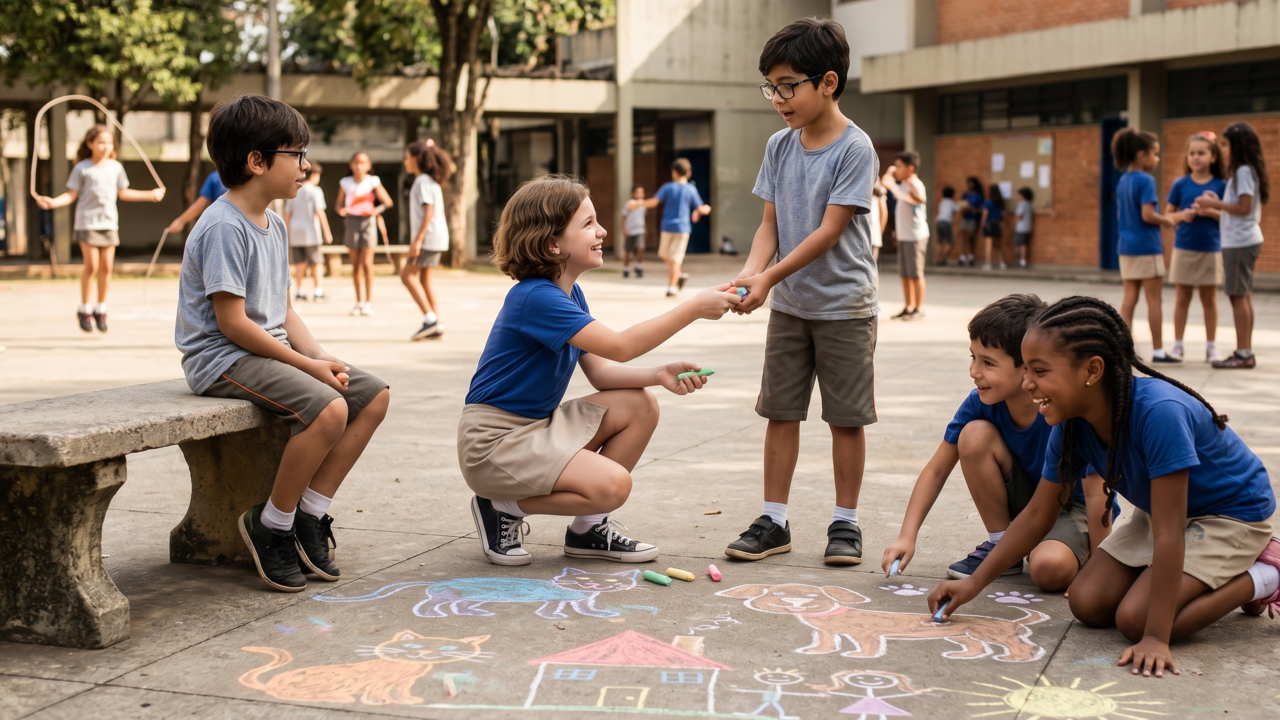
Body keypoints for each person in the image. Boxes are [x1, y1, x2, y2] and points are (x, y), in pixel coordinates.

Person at [928, 296, 1279, 679]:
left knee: (1136, 620)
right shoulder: (1070, 420)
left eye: (1040, 371)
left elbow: (1168, 534)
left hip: (1230, 516)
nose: (1028, 384)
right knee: (1087, 603)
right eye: (1026, 369)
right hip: (1165, 515)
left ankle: (1264, 577)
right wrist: (975, 585)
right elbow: (1037, 514)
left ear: (1092, 370)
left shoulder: (1160, 413)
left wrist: (1156, 638)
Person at [459, 175, 739, 565]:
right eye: (588, 223)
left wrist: (658, 373)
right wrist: (692, 308)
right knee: (613, 485)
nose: (603, 230)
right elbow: (621, 346)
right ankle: (501, 506)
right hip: (494, 445)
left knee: (640, 403)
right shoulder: (535, 297)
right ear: (553, 243)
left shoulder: (568, 292)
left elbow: (603, 373)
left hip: (535, 430)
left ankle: (588, 531)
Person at [175, 94, 390, 592]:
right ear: (257, 161)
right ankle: (271, 525)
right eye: (297, 154)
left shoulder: (272, 222)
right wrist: (305, 368)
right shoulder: (225, 226)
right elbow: (232, 324)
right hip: (221, 358)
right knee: (329, 409)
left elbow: (283, 309)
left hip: (262, 351)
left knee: (372, 394)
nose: (306, 166)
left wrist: (318, 356)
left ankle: (310, 513)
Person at [725, 17, 879, 566]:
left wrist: (769, 278)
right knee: (781, 412)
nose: (778, 99)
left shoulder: (855, 149)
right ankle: (774, 519)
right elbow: (770, 224)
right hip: (790, 306)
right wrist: (751, 271)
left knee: (846, 418)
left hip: (844, 306)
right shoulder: (778, 145)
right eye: (771, 86)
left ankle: (846, 522)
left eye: (789, 85)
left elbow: (828, 230)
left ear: (828, 83)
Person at [882, 294, 1114, 593]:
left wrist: (1100, 564)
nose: (974, 371)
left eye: (988, 362)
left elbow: (1098, 496)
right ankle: (1001, 544)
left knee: (1048, 570)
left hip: (1073, 507)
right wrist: (907, 535)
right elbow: (936, 470)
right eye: (973, 357)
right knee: (974, 434)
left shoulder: (1066, 409)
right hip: (1027, 506)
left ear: (1028, 367)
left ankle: (1057, 548)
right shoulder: (979, 402)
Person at [36, 125, 164, 333]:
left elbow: (123, 193)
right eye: (101, 143)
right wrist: (52, 202)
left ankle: (101, 309)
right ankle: (84, 308)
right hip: (87, 223)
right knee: (92, 267)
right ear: (90, 144)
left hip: (109, 223)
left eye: (109, 143)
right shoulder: (82, 168)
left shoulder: (115, 167)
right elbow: (71, 195)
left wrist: (150, 194)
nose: (105, 147)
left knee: (106, 268)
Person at [1196, 121, 1270, 369]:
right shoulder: (1243, 172)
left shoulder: (1243, 172)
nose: (1223, 150)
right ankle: (1244, 350)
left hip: (1240, 242)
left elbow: (1244, 207)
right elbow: (1238, 205)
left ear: (1238, 146)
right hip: (1241, 240)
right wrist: (1219, 201)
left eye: (1225, 145)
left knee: (1238, 296)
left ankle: (1243, 353)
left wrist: (1214, 206)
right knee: (1243, 296)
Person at [1112, 128, 1180, 363]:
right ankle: (1159, 351)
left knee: (1129, 300)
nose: (1157, 159)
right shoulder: (1146, 179)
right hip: (1147, 248)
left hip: (1126, 247)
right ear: (1141, 155)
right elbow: (1148, 214)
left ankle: (1122, 350)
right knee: (1154, 301)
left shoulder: (1123, 180)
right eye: (1155, 154)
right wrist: (1168, 220)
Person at [1165, 132, 1227, 363]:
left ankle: (1211, 347)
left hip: (1210, 248)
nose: (1196, 157)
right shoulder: (1180, 184)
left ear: (1213, 157)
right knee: (1182, 299)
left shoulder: (1221, 184)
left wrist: (1210, 212)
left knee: (1209, 300)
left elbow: (1230, 218)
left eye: (1201, 153)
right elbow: (1168, 214)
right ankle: (1178, 346)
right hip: (1184, 248)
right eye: (1192, 153)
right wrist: (1183, 215)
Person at [400, 138, 453, 341]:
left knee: (406, 275)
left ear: (417, 159)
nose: (406, 162)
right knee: (425, 280)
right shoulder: (430, 181)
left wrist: (417, 241)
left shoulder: (422, 181)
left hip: (428, 238)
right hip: (437, 237)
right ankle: (436, 323)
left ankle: (430, 319)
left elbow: (427, 212)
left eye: (407, 158)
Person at [336, 151, 393, 316]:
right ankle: (358, 302)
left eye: (362, 163)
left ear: (368, 165)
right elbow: (338, 204)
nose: (359, 166)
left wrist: (376, 210)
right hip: (352, 222)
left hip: (368, 222)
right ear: (351, 165)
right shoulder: (345, 183)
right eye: (356, 162)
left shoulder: (373, 181)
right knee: (355, 265)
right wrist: (342, 211)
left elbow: (387, 202)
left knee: (368, 264)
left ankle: (369, 302)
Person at [646, 158, 710, 297]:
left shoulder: (668, 187)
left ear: (674, 172)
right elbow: (701, 208)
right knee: (665, 255)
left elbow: (654, 202)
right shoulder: (689, 189)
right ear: (688, 173)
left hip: (672, 228)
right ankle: (678, 274)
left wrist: (638, 204)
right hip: (679, 228)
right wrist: (706, 209)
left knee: (674, 259)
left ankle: (671, 287)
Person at [883, 151, 928, 319]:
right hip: (904, 235)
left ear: (911, 168)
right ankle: (908, 306)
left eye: (900, 167)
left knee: (916, 273)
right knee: (905, 273)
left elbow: (918, 199)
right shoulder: (903, 184)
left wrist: (892, 186)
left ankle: (918, 308)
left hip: (915, 236)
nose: (897, 171)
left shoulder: (915, 184)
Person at [283, 160, 332, 302]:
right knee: (316, 262)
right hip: (312, 233)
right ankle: (317, 291)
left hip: (295, 232)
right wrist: (327, 231)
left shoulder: (294, 189)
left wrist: (287, 232)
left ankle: (299, 291)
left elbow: (287, 214)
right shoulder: (316, 191)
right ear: (315, 175)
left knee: (299, 263)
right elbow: (319, 212)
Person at [621, 185, 648, 279]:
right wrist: (624, 229)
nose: (640, 194)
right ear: (633, 193)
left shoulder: (643, 204)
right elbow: (624, 217)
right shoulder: (629, 204)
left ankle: (639, 267)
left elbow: (643, 217)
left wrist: (644, 228)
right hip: (630, 230)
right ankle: (626, 268)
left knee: (641, 248)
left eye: (642, 192)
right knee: (628, 250)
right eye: (638, 192)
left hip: (639, 229)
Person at [958, 177, 984, 267]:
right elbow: (960, 205)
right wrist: (965, 208)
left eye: (971, 183)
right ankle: (962, 256)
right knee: (964, 237)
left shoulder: (978, 195)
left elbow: (982, 209)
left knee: (971, 238)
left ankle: (971, 256)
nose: (970, 185)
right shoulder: (965, 194)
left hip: (973, 218)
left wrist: (973, 209)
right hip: (965, 217)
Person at [980, 183, 1006, 270]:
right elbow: (1002, 215)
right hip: (998, 224)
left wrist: (982, 225)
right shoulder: (1000, 203)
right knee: (997, 245)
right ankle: (1002, 262)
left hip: (989, 224)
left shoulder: (988, 203)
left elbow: (985, 215)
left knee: (988, 245)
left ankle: (988, 263)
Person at [934, 185, 957, 266]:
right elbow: (958, 208)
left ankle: (938, 259)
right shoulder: (951, 203)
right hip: (946, 222)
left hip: (939, 221)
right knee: (950, 242)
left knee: (940, 242)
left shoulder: (942, 202)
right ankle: (942, 259)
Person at [1013, 187, 1034, 268]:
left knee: (1021, 244)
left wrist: (1015, 218)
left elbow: (1019, 215)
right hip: (1028, 227)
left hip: (1021, 227)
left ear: (1022, 195)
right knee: (1024, 244)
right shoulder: (1029, 204)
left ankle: (1021, 260)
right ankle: (1021, 260)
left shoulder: (1022, 204)